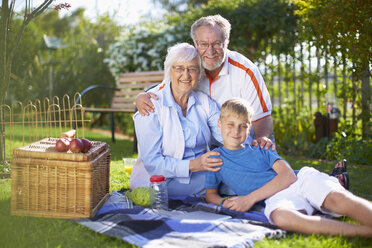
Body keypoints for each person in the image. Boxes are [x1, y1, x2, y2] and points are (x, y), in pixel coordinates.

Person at [205, 98, 372, 237]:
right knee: (282, 218)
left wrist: (248, 199)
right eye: (230, 124)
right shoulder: (215, 158)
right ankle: (362, 232)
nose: (236, 131)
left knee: (338, 200)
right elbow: (210, 194)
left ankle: (335, 190)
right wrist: (226, 202)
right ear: (219, 124)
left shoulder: (260, 149)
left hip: (301, 181)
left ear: (249, 129)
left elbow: (289, 176)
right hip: (276, 198)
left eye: (243, 125)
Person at [136, 14, 274, 150]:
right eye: (203, 44)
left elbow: (262, 115)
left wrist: (260, 142)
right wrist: (142, 96)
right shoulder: (189, 64)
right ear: (195, 43)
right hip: (205, 145)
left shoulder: (246, 70)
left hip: (242, 141)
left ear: (226, 42)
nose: (210, 51)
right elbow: (166, 88)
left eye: (216, 44)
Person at [129, 43, 224, 197]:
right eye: (179, 68)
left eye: (192, 69)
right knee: (231, 182)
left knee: (237, 173)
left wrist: (250, 147)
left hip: (200, 174)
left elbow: (227, 134)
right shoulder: (150, 104)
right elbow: (153, 163)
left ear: (199, 73)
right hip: (159, 181)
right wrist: (194, 165)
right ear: (169, 71)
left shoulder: (204, 102)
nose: (186, 75)